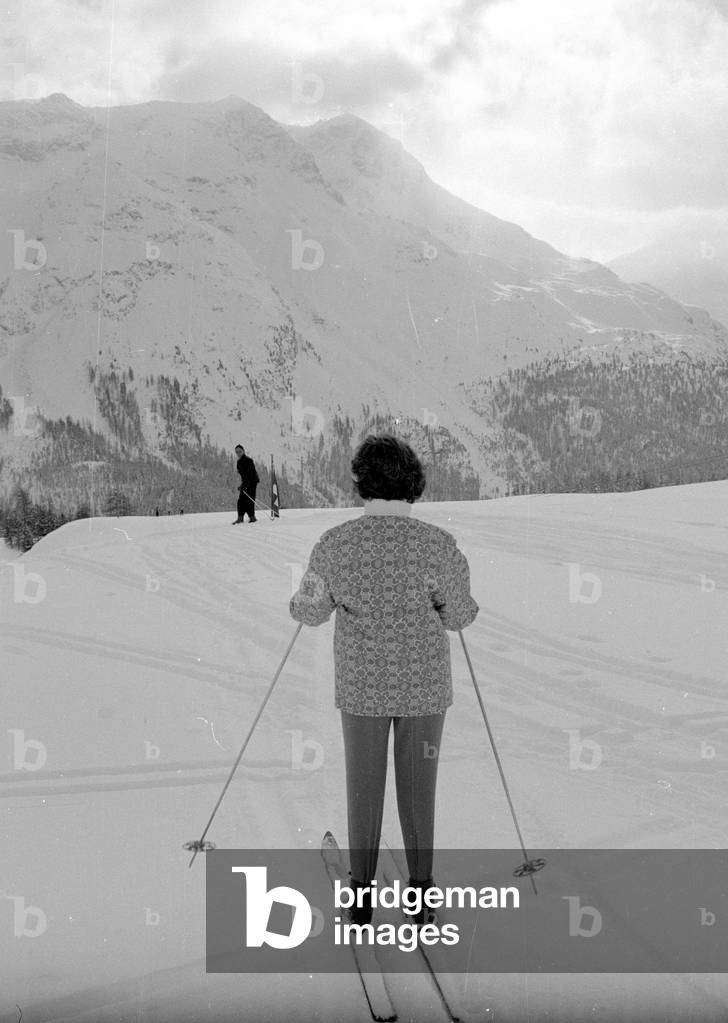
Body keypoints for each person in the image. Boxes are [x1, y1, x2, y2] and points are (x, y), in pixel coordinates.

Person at [289, 433, 479, 925]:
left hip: (362, 687)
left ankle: (360, 894)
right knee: (419, 790)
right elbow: (459, 614)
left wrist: (301, 602)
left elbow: (310, 612)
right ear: (412, 485)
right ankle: (420, 895)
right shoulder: (437, 544)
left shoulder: (336, 544)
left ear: (361, 485)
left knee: (364, 786)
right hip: (424, 686)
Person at [233, 444, 259, 523]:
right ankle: (240, 517)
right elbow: (243, 476)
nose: (238, 453)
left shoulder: (248, 460)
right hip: (245, 483)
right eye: (237, 452)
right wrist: (242, 485)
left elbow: (250, 474)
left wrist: (245, 485)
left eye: (240, 451)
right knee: (241, 501)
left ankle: (252, 517)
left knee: (249, 500)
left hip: (252, 482)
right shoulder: (239, 462)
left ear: (243, 451)